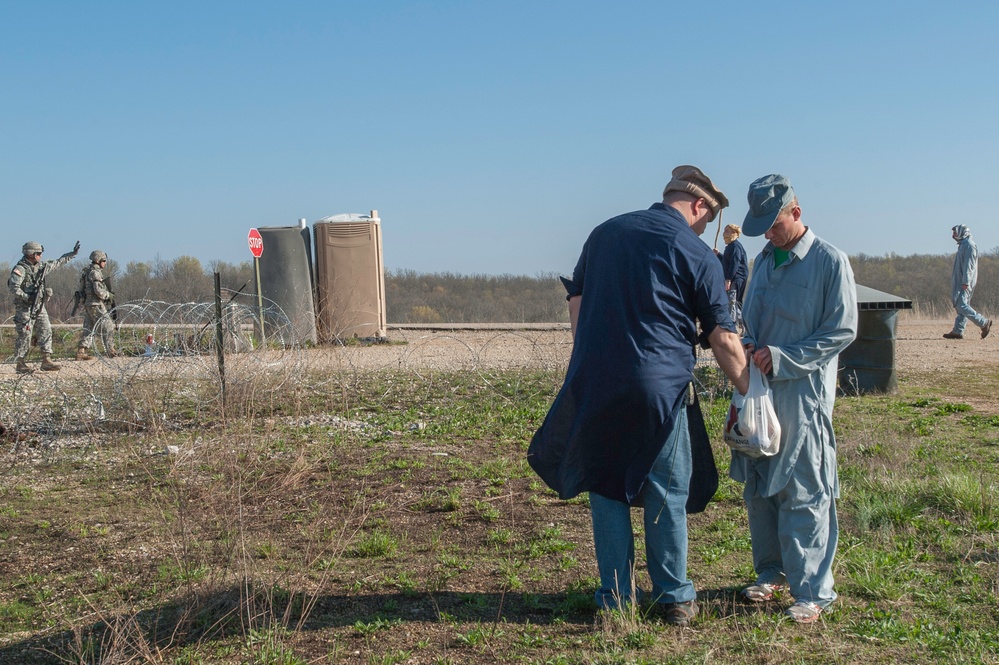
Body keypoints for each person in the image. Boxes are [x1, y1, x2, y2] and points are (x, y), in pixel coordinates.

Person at [528, 165, 750, 626]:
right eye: (707, 219)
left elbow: (577, 298)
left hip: (597, 383)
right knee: (666, 487)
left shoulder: (605, 233)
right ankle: (673, 597)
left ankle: (615, 599)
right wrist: (752, 391)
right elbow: (722, 338)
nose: (706, 228)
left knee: (606, 485)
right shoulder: (696, 252)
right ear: (699, 206)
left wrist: (589, 351)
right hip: (660, 388)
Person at [732, 174, 858, 624]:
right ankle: (771, 573)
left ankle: (813, 591)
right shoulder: (763, 261)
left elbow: (842, 330)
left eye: (774, 223)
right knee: (760, 488)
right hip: (758, 397)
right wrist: (747, 346)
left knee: (805, 490)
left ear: (796, 213)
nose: (768, 233)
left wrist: (783, 357)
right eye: (761, 226)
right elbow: (747, 320)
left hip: (803, 397)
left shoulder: (829, 261)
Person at [8, 240, 81, 374]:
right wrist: (26, 297)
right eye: (38, 253)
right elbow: (13, 288)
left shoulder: (41, 267)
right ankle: (20, 362)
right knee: (25, 333)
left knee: (46, 329)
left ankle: (46, 359)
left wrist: (72, 254)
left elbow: (58, 263)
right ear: (30, 254)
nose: (40, 256)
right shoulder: (20, 269)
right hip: (25, 308)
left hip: (38, 306)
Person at [943, 225, 991, 340]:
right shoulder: (963, 245)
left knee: (962, 305)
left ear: (961, 232)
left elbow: (969, 266)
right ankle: (958, 331)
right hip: (962, 280)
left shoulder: (969, 245)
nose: (953, 234)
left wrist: (966, 281)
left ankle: (983, 323)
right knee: (962, 305)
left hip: (965, 282)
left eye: (955, 232)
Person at [76, 250, 117, 360]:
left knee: (89, 328)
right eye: (103, 261)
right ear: (98, 261)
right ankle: (110, 350)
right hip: (96, 303)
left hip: (88, 304)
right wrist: (108, 295)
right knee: (108, 326)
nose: (105, 263)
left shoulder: (87, 272)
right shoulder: (95, 273)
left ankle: (81, 350)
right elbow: (98, 291)